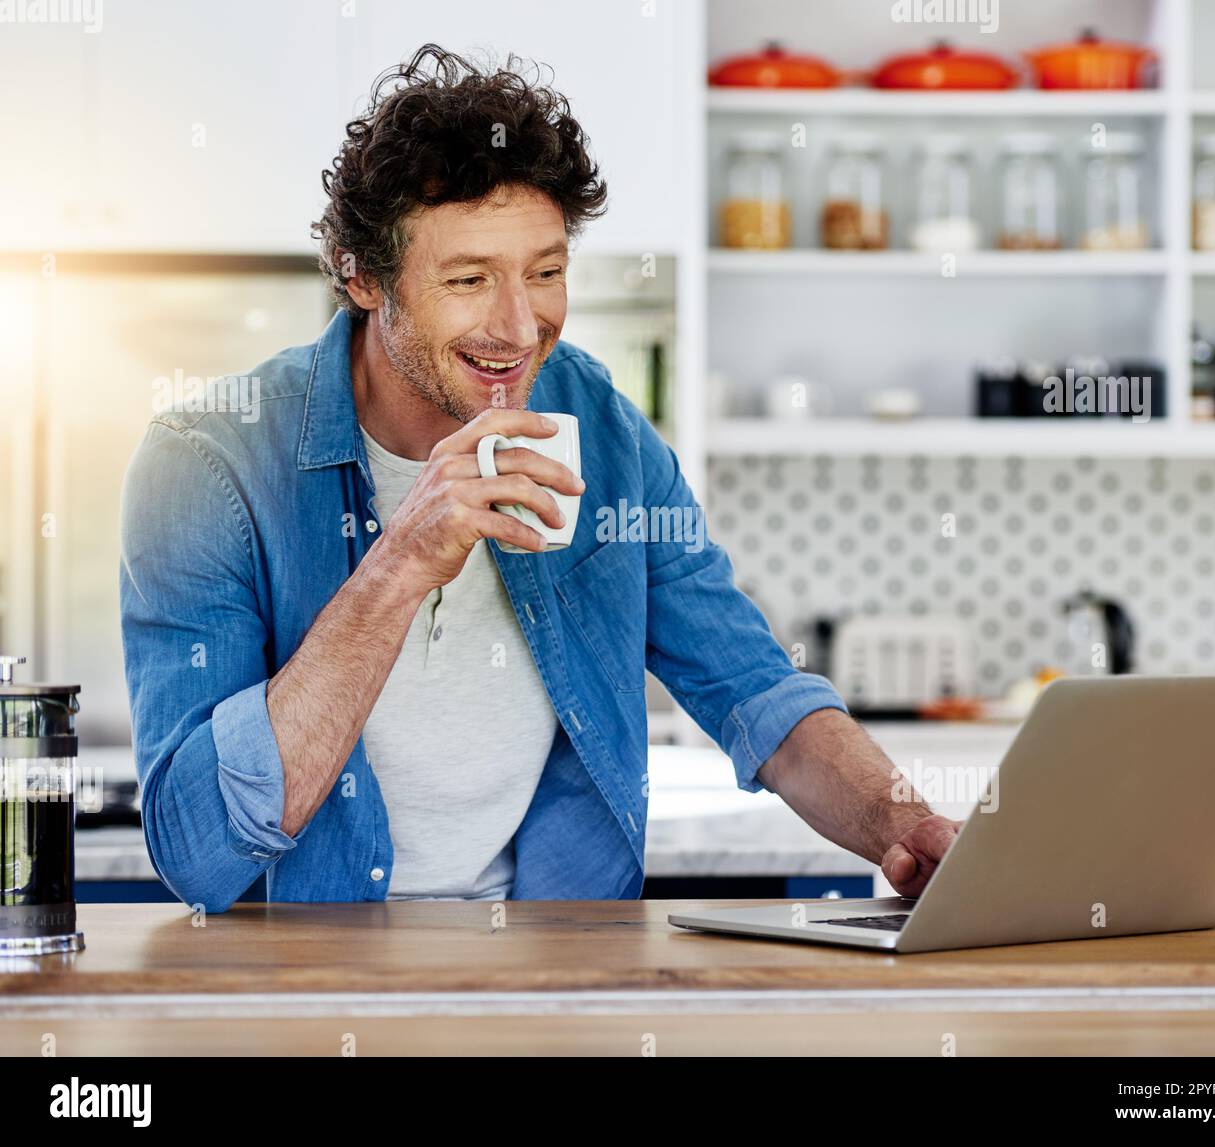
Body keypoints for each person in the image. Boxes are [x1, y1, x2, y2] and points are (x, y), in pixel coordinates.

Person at [119, 44, 958, 912]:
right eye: (470, 278)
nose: (521, 326)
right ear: (363, 277)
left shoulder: (602, 427)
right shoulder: (207, 462)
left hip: (548, 968)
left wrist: (907, 826)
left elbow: (756, 688)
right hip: (307, 981)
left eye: (547, 272)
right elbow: (199, 853)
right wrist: (402, 561)